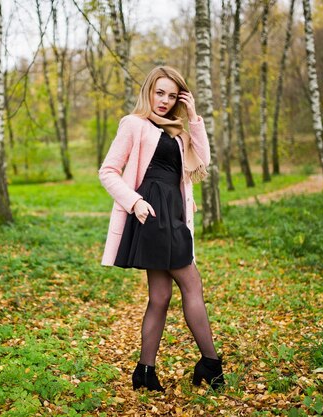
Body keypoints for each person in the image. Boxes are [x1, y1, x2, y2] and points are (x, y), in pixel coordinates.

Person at [98, 66, 225, 392]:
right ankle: (210, 364)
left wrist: (194, 117)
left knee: (160, 296)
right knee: (191, 284)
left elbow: (203, 160)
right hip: (153, 215)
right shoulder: (134, 124)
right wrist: (135, 202)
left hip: (173, 215)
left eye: (172, 95)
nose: (165, 101)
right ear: (148, 91)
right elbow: (108, 171)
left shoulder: (176, 130)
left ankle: (144, 371)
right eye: (160, 93)